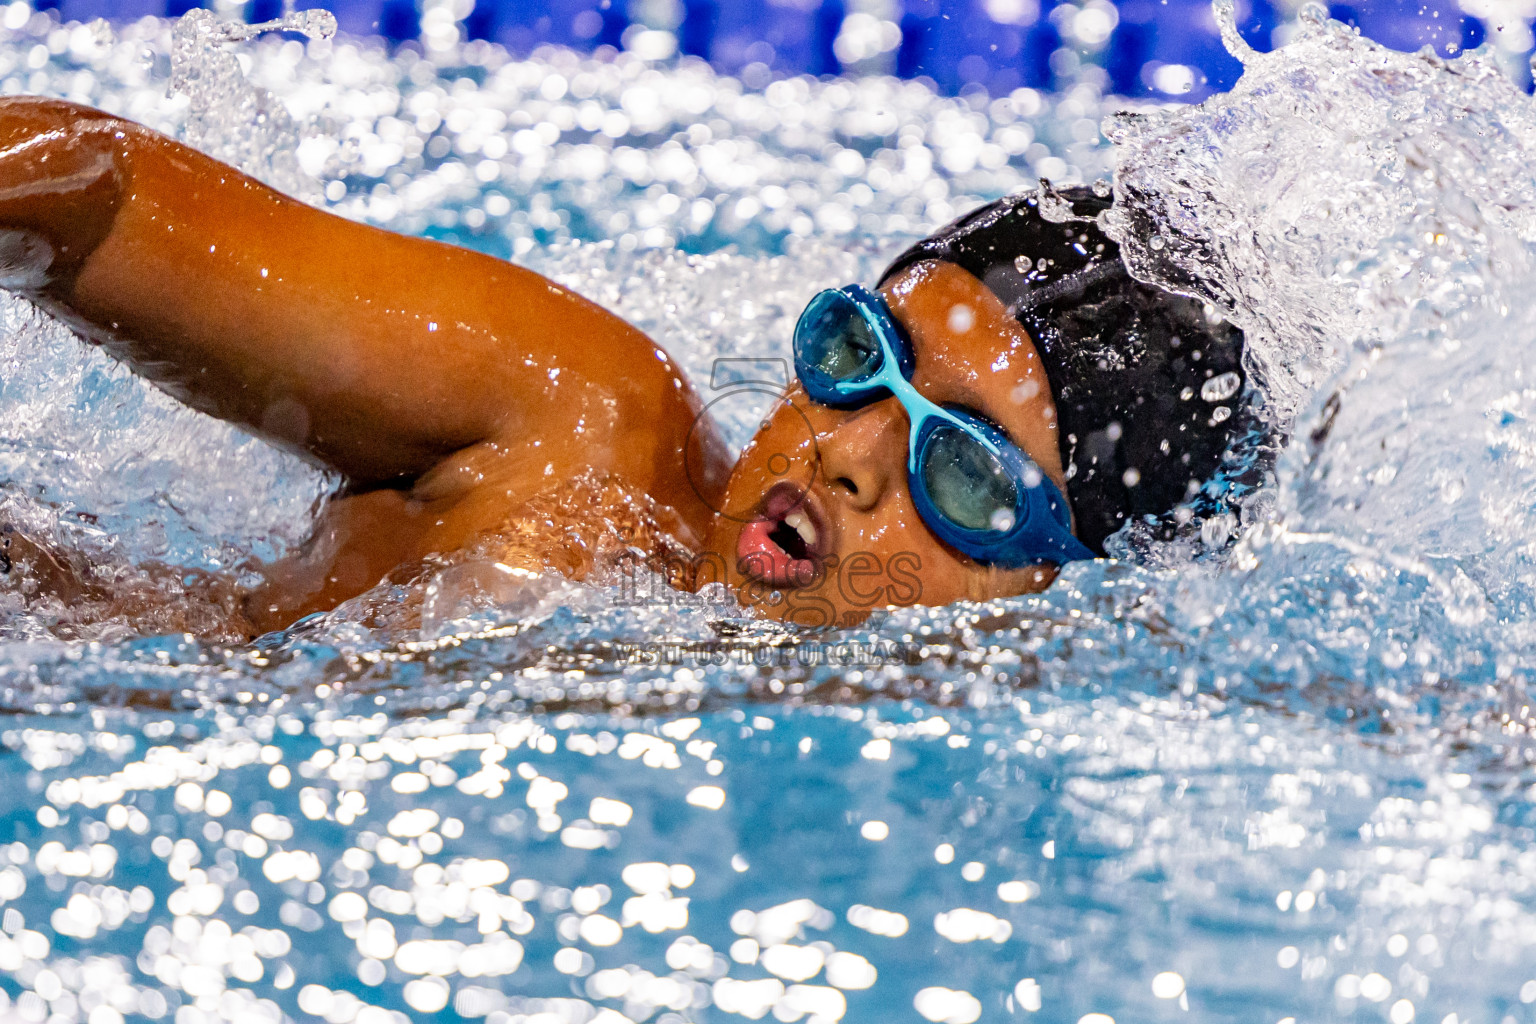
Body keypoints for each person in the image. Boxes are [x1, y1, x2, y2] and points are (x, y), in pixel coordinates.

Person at [0, 95, 1254, 637]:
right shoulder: (578, 431)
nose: (847, 452)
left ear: (1071, 588)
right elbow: (95, 195)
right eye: (858, 356)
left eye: (966, 472)